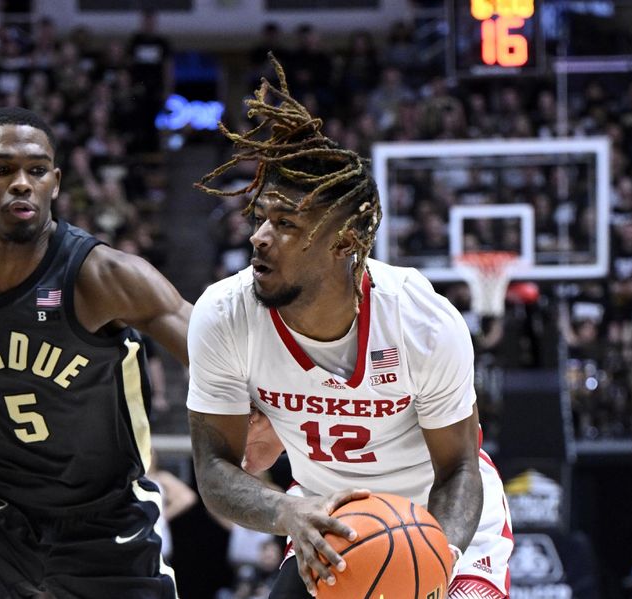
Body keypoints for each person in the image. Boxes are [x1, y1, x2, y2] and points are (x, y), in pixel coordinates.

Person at [187, 54, 513, 599]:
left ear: (345, 242)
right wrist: (287, 510)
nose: (260, 237)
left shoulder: (421, 321)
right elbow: (214, 471)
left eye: (286, 222)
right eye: (263, 216)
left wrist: (436, 558)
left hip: (444, 528)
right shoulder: (224, 314)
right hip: (332, 524)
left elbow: (459, 470)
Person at [0, 107, 192, 598]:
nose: (22, 183)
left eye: (37, 170)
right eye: (2, 169)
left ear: (56, 181)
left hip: (106, 524)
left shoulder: (104, 276)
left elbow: (217, 356)